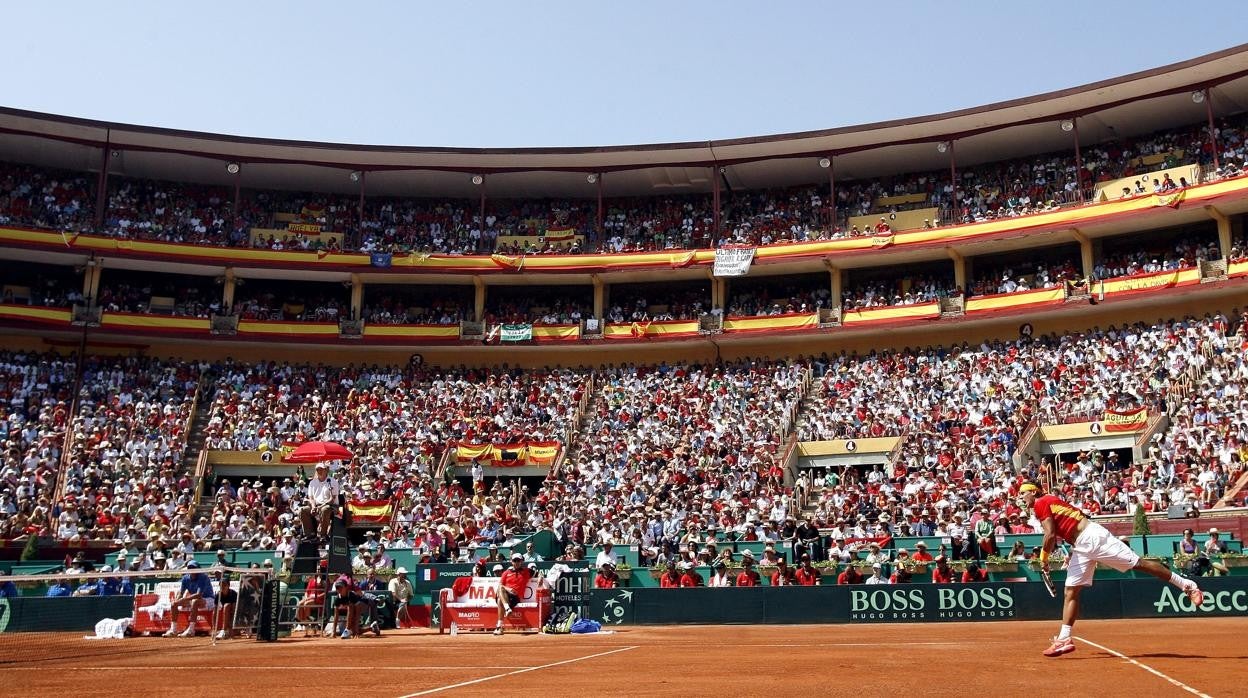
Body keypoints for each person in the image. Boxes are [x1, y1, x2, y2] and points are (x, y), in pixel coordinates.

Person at [1018, 481, 1202, 658]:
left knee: (1139, 564)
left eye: (1023, 493)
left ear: (1033, 492)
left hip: (1092, 538)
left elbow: (1050, 534)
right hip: (1081, 546)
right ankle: (1064, 638)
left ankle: (1187, 584)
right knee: (1071, 591)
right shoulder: (1048, 500)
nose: (1021, 497)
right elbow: (1062, 528)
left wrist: (1043, 558)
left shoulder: (1040, 503)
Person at [164, 561, 216, 637]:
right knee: (174, 604)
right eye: (190, 568)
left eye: (194, 568)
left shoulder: (203, 577)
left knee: (194, 601)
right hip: (193, 599)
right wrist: (177, 600)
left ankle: (191, 630)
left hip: (209, 599)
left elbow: (198, 595)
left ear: (198, 569)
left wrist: (185, 599)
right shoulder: (185, 578)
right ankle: (173, 630)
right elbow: (181, 592)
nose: (192, 570)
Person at [494, 553, 532, 635]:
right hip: (505, 594)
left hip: (515, 597)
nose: (517, 562)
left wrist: (541, 577)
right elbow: (500, 586)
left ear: (521, 561)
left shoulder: (526, 571)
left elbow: (539, 572)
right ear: (512, 562)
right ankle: (507, 609)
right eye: (515, 560)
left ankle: (499, 627)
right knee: (500, 591)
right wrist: (508, 589)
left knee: (500, 599)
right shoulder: (506, 573)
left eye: (518, 560)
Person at [301, 463, 340, 541]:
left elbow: (332, 499)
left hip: (331, 506)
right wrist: (313, 507)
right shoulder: (312, 482)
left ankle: (323, 535)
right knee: (303, 510)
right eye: (318, 469)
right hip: (316, 505)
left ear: (325, 470)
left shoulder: (332, 481)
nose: (319, 471)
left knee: (324, 509)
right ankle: (310, 534)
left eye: (321, 469)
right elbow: (311, 497)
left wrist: (320, 506)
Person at [214, 574, 238, 640]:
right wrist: (214, 628)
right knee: (225, 607)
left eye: (224, 585)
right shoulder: (218, 595)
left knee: (226, 606)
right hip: (226, 612)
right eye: (221, 585)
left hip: (236, 616)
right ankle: (223, 631)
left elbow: (234, 611)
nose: (223, 587)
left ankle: (224, 630)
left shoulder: (233, 594)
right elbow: (215, 611)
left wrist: (231, 628)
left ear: (228, 586)